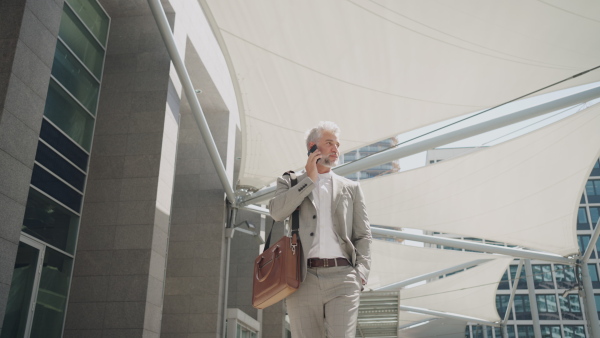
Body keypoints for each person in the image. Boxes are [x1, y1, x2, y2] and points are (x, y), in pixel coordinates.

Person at [269, 121, 372, 338]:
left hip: (343, 278)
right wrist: (309, 179)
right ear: (313, 147)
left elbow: (362, 234)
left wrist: (360, 274)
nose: (336, 149)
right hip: (302, 278)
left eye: (337, 144)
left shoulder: (351, 188)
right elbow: (277, 213)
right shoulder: (290, 182)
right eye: (329, 143)